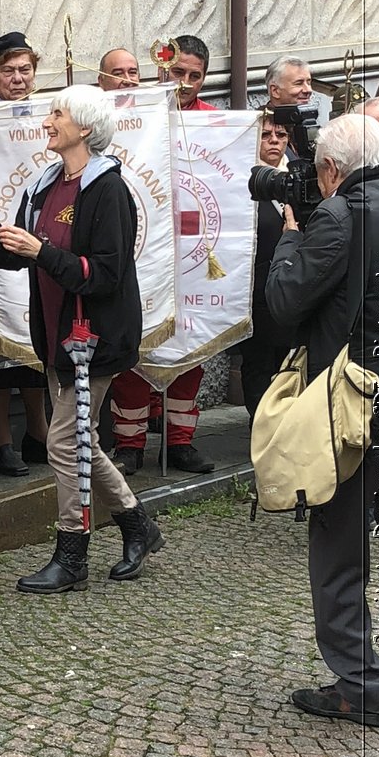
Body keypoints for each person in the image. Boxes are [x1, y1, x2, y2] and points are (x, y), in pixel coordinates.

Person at [0, 86, 164, 593]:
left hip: (93, 341)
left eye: (57, 113)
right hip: (56, 337)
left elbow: (104, 274)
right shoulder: (45, 182)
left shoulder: (108, 189)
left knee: (63, 442)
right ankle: (137, 526)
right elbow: (13, 255)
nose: (48, 120)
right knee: (81, 440)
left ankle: (71, 553)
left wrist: (42, 250)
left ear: (84, 126)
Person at [266, 113, 379, 728]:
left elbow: (286, 301)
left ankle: (360, 685)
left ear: (330, 169)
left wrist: (291, 233)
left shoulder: (339, 216)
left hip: (358, 409)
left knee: (341, 545)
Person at [110, 34, 216, 475]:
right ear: (163, 69)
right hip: (143, 247)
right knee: (137, 341)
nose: (186, 82)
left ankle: (180, 441)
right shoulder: (134, 117)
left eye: (195, 76)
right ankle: (129, 443)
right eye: (178, 73)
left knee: (193, 341)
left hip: (194, 249)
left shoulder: (217, 122)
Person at [0, 31, 50, 478]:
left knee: (35, 328)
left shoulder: (47, 116)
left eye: (25, 70)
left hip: (37, 236)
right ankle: (0, 435)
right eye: (8, 71)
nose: (18, 79)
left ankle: (38, 429)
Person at [236, 120, 294, 422]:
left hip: (294, 284)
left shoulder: (300, 174)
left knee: (290, 359)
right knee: (258, 359)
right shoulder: (241, 176)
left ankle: (288, 424)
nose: (274, 141)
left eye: (280, 134)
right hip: (254, 286)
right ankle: (261, 425)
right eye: (266, 135)